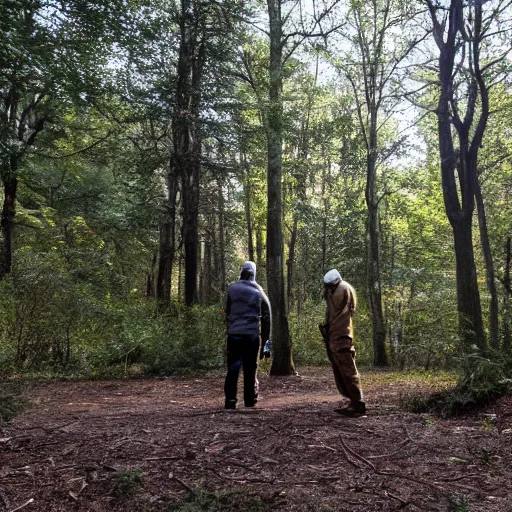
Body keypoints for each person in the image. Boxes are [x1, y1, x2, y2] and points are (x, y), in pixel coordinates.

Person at [224, 261, 271, 409]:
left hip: (234, 335)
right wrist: (266, 345)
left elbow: (227, 311)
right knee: (250, 368)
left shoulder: (231, 289)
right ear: (253, 274)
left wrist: (231, 328)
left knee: (233, 368)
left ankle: (230, 401)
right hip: (251, 336)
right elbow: (267, 318)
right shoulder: (258, 290)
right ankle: (250, 400)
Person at [319, 269, 366, 416]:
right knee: (343, 371)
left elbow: (335, 308)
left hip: (342, 336)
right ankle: (353, 401)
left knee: (348, 370)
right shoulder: (341, 289)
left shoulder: (342, 289)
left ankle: (358, 405)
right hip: (337, 335)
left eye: (329, 287)